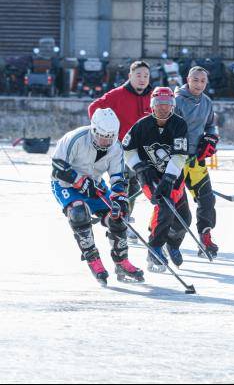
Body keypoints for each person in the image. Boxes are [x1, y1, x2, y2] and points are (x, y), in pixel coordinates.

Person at [51, 108, 143, 285]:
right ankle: (92, 257)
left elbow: (117, 177)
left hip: (95, 184)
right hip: (66, 185)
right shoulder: (75, 138)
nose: (106, 141)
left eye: (110, 137)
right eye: (102, 136)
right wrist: (79, 181)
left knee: (118, 216)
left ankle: (121, 260)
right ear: (94, 130)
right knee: (78, 212)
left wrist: (120, 198)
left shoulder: (116, 147)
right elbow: (57, 166)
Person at [122, 87, 191, 272]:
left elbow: (179, 155)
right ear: (152, 105)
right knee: (165, 208)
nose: (163, 108)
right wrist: (138, 167)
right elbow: (127, 149)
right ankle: (155, 247)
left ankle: (173, 244)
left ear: (172, 106)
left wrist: (169, 178)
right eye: (159, 104)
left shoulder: (179, 125)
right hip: (149, 176)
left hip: (173, 177)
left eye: (167, 104)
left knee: (184, 219)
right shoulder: (141, 125)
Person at [88, 60, 153, 242]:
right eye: (138, 75)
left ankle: (125, 218)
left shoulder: (153, 96)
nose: (142, 79)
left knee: (134, 186)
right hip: (121, 149)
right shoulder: (117, 95)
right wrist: (103, 132)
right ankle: (117, 223)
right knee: (121, 186)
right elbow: (94, 108)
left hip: (143, 152)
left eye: (146, 76)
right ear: (130, 76)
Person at [174, 66, 220, 259]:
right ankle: (160, 236)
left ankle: (205, 234)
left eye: (202, 81)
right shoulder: (176, 100)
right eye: (195, 80)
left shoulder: (207, 102)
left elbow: (211, 125)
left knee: (207, 199)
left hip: (196, 161)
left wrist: (210, 138)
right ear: (188, 80)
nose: (199, 84)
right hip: (175, 161)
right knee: (173, 204)